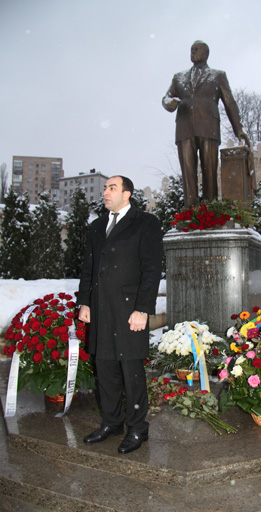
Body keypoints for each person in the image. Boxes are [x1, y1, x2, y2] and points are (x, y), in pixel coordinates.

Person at [77, 175, 162, 454]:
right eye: (104, 188)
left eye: (112, 187)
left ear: (127, 194)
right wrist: (85, 302)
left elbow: (151, 269)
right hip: (101, 310)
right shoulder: (97, 226)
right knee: (106, 370)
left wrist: (142, 309)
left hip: (129, 311)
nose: (105, 192)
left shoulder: (145, 223)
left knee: (131, 372)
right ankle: (112, 422)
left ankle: (138, 428)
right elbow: (88, 268)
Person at [162, 40, 250, 206]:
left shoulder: (218, 76)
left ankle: (211, 209)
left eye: (197, 49)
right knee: (188, 172)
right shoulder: (178, 77)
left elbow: (230, 102)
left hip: (209, 128)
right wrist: (169, 102)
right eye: (192, 49)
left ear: (206, 53)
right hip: (184, 128)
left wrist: (238, 129)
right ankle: (190, 210)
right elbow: (166, 98)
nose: (193, 51)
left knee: (209, 171)